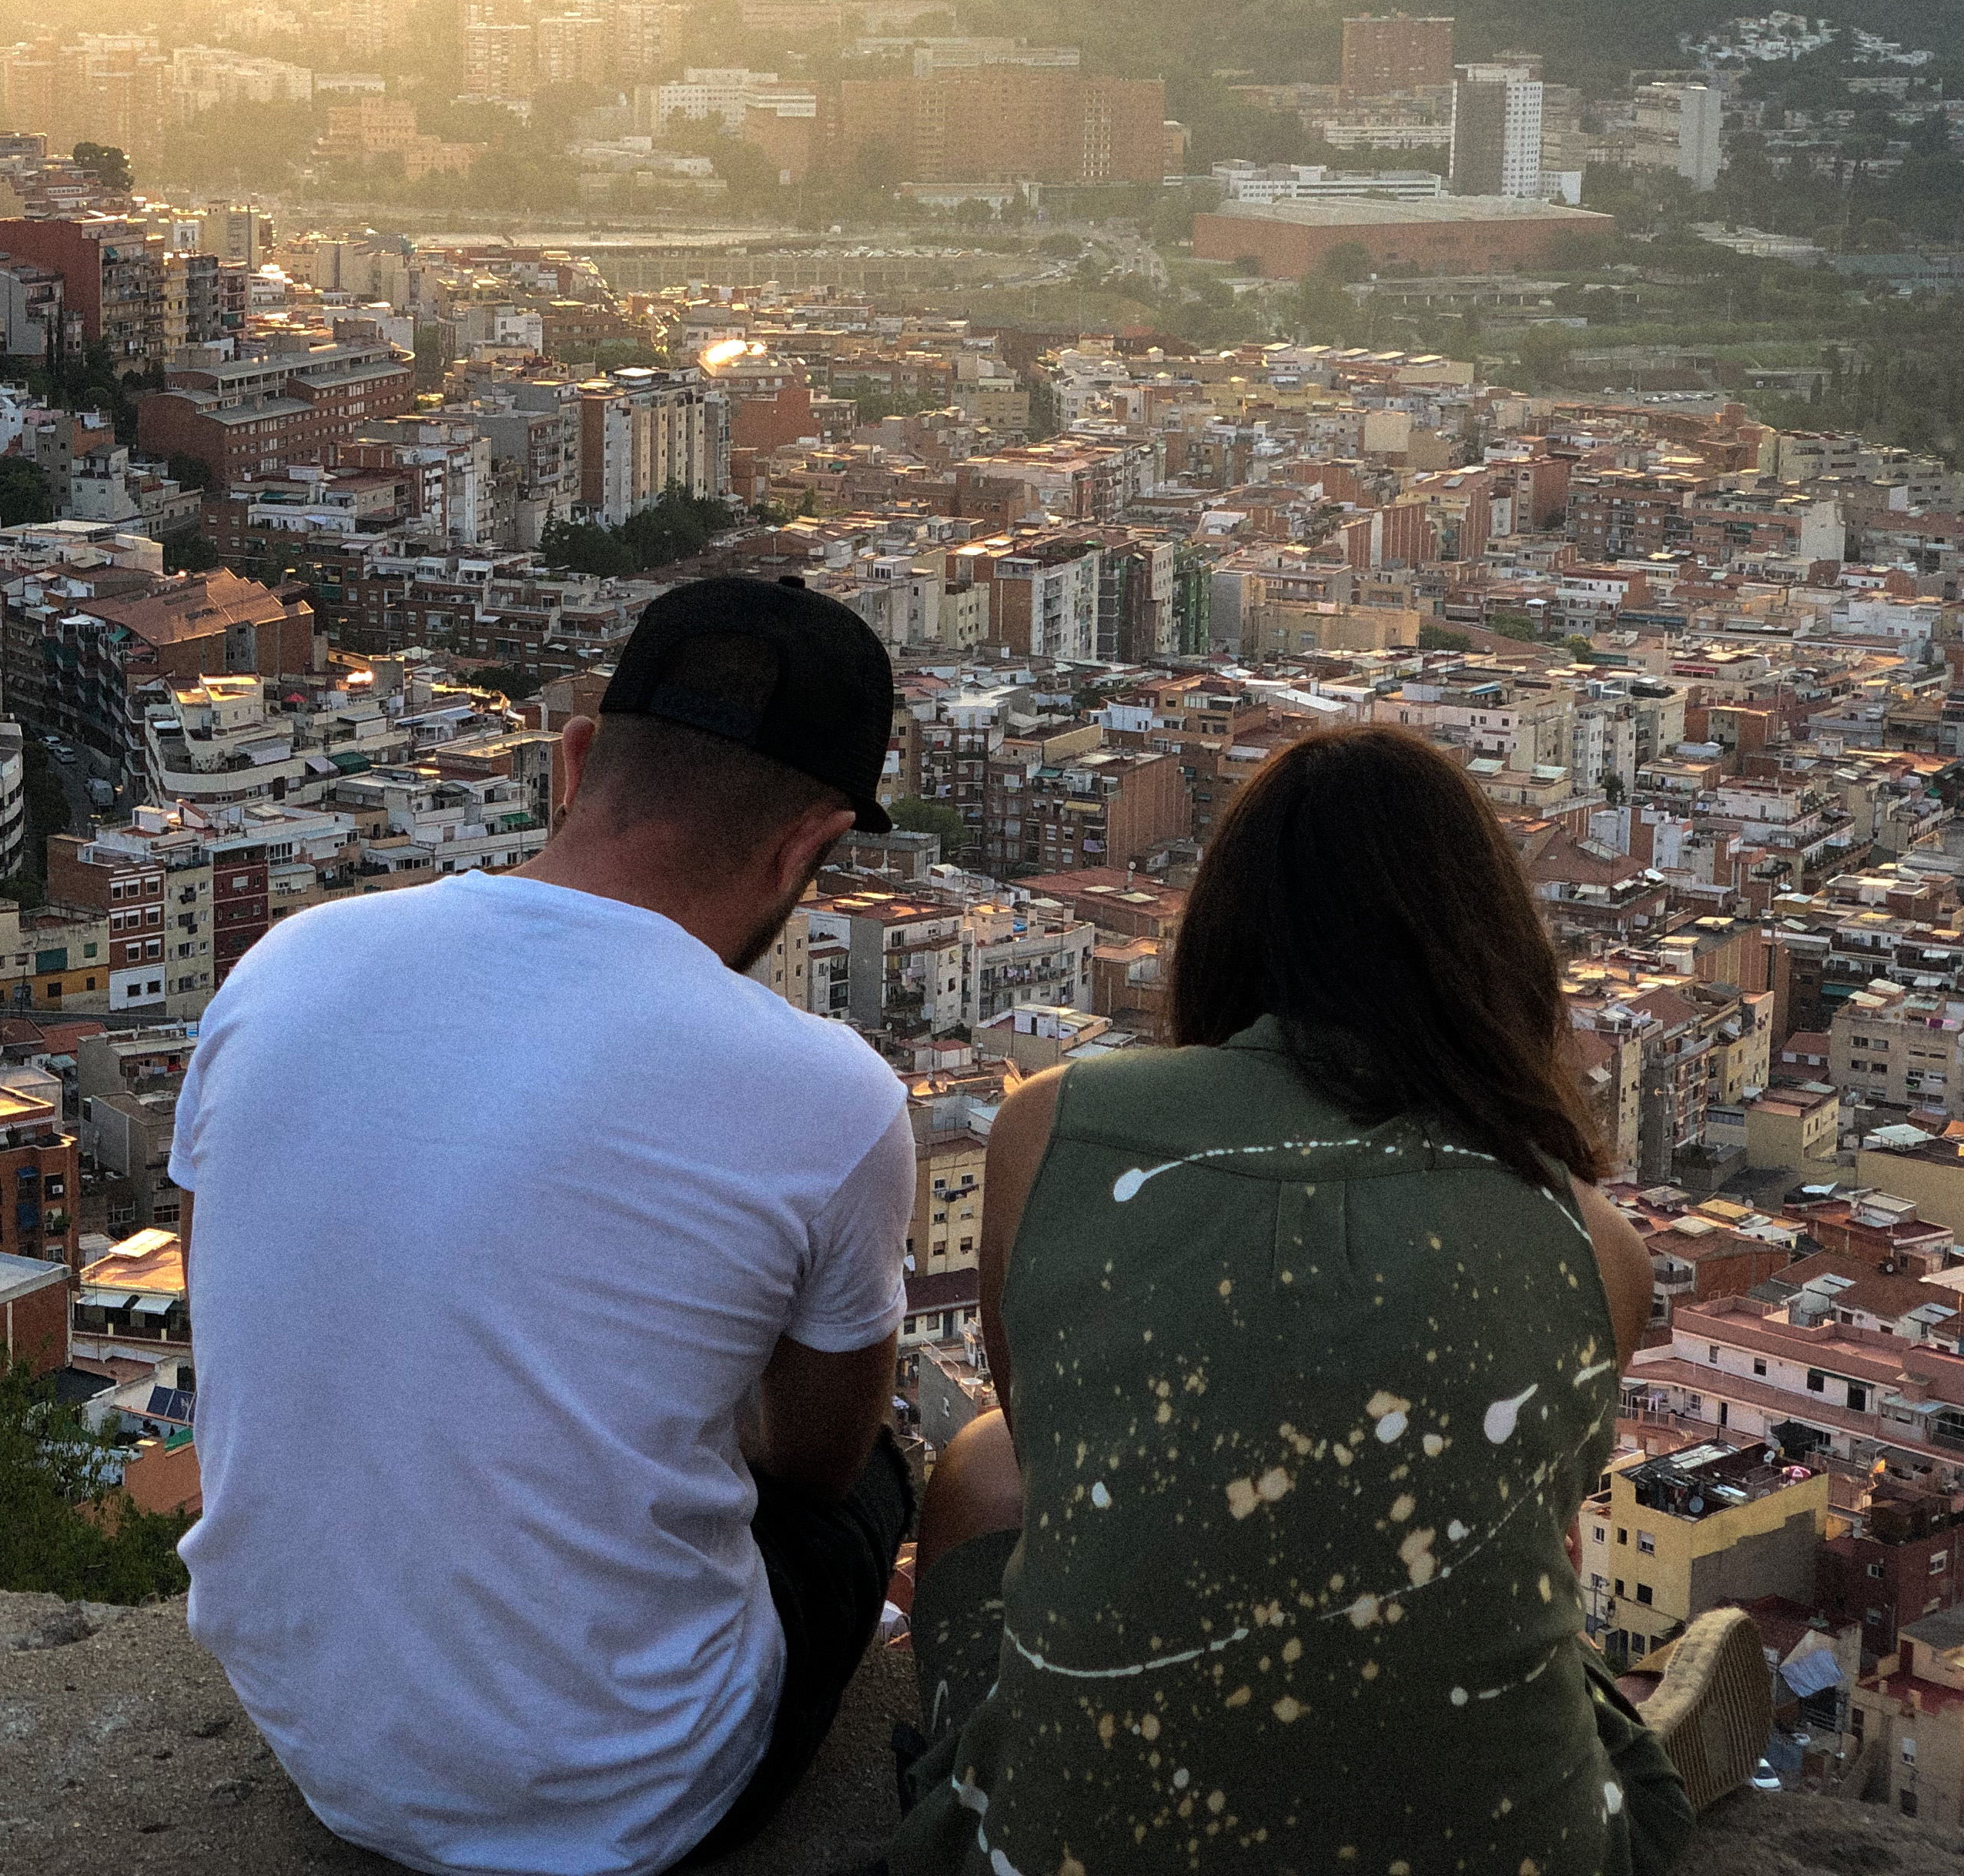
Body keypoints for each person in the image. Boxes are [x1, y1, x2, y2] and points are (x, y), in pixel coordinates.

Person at [888, 724, 1773, 1875]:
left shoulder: (1046, 1129)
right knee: (1520, 1620)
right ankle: (1638, 1736)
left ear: (1223, 926)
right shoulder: (1587, 1236)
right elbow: (1520, 1540)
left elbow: (1052, 1455)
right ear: (1490, 946)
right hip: (1511, 1853)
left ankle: (990, 1761)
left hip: (1078, 1850)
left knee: (983, 1466)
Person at [175, 575, 920, 1876]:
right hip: (632, 1797)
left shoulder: (286, 965)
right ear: (809, 846)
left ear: (575, 759)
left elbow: (238, 1297)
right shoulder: (830, 1095)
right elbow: (811, 1462)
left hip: (314, 1736)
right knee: (882, 1469)